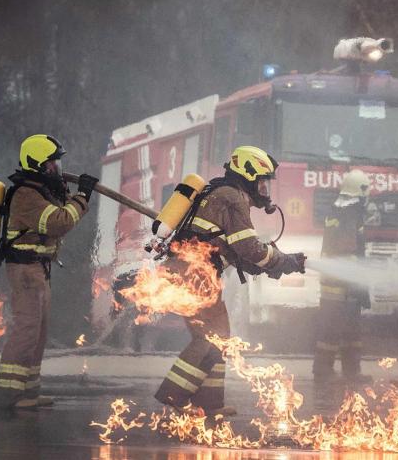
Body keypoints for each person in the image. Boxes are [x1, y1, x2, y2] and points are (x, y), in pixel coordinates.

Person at [153, 146, 305, 417]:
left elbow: (234, 249)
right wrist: (282, 260)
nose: (265, 189)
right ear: (247, 175)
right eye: (261, 181)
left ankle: (209, 403)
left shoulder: (221, 192)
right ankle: (174, 395)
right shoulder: (233, 198)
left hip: (197, 275)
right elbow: (248, 247)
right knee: (209, 337)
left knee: (220, 337)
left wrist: (274, 265)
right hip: (196, 276)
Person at [0, 134, 98, 410]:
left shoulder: (42, 190)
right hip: (25, 269)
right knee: (27, 329)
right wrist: (83, 197)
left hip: (39, 269)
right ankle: (9, 395)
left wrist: (72, 193)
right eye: (52, 163)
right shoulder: (26, 194)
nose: (57, 168)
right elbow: (59, 222)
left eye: (58, 163)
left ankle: (28, 392)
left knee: (38, 332)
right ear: (38, 165)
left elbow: (62, 208)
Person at [313, 169, 372, 383]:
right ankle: (324, 371)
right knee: (334, 328)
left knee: (348, 328)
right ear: (361, 192)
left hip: (334, 280)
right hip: (344, 283)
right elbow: (349, 250)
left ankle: (350, 372)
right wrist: (359, 283)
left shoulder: (337, 210)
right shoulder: (351, 213)